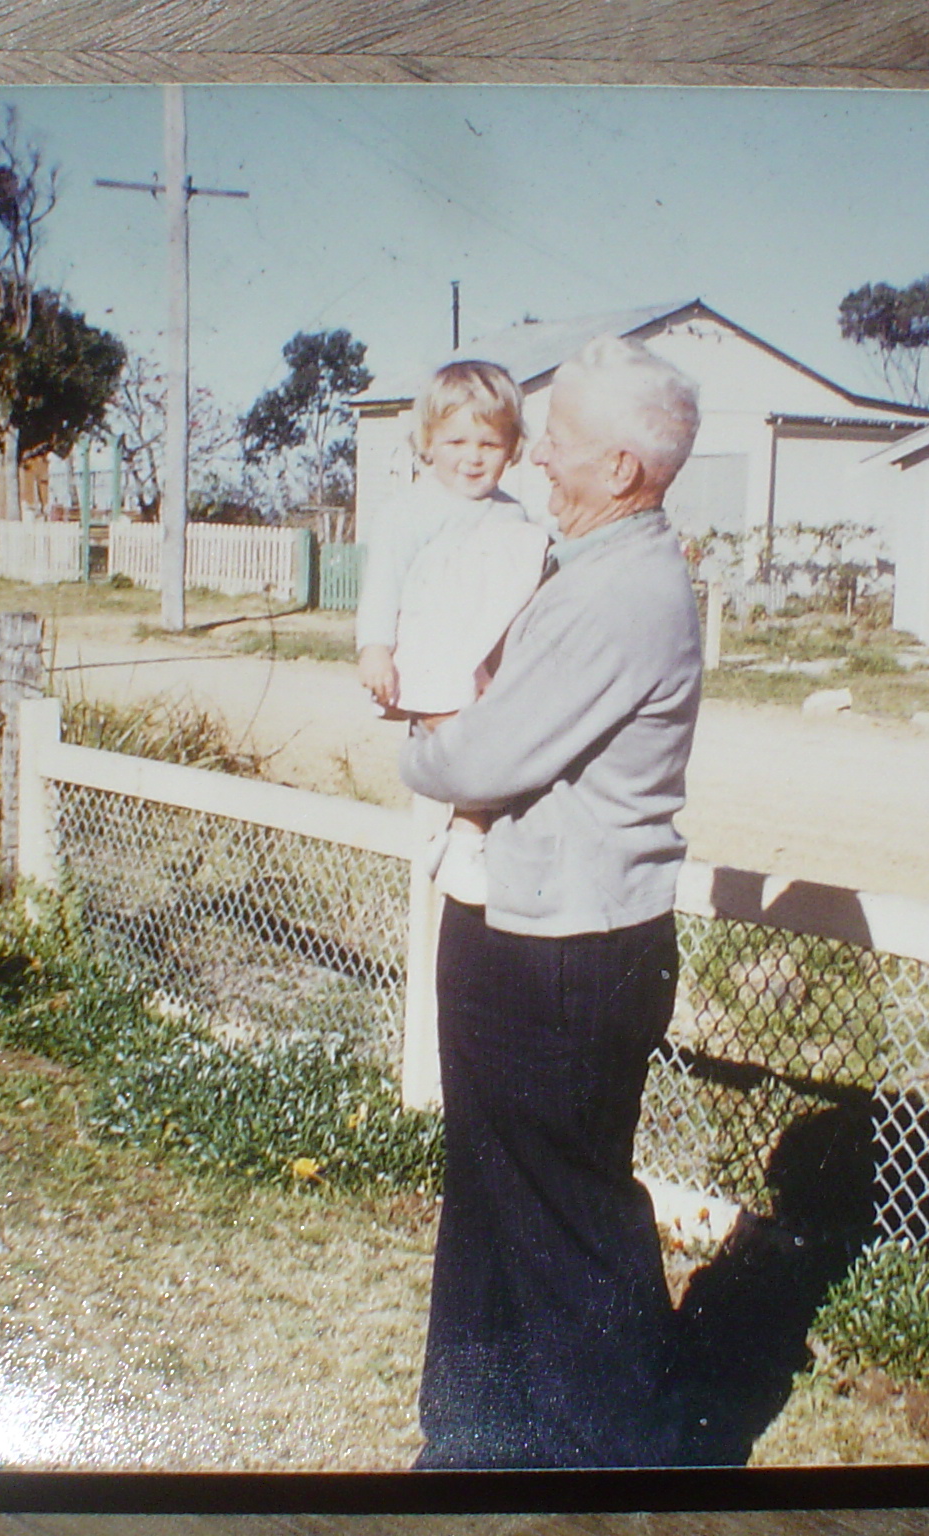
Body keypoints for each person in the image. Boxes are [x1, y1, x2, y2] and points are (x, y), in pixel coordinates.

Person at [400, 334, 705, 1469]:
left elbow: (476, 761)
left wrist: (428, 747)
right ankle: (474, 1436)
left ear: (621, 470)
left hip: (563, 945)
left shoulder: (616, 592)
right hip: (530, 928)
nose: (538, 463)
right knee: (490, 1187)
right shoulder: (593, 575)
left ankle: (629, 1463)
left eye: (561, 444)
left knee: (565, 1215)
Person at [355, 359, 551, 903]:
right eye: (456, 441)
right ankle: (464, 841)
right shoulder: (410, 511)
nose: (472, 458)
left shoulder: (516, 516)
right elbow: (383, 586)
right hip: (430, 654)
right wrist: (376, 648)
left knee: (500, 741)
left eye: (489, 444)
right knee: (469, 746)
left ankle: (468, 835)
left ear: (512, 447)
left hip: (490, 655)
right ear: (428, 442)